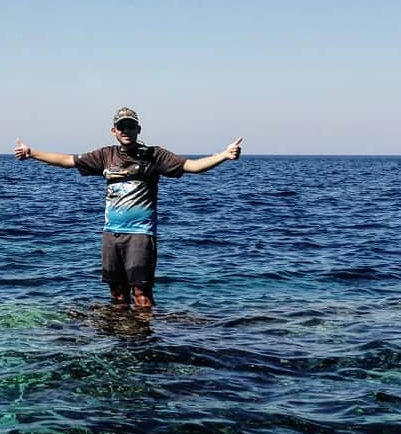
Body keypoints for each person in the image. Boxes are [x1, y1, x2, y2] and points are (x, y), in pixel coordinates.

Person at [14, 107, 243, 309]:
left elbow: (192, 166)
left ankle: (144, 343)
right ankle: (120, 340)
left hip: (140, 235)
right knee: (117, 294)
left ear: (138, 129)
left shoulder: (155, 155)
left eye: (130, 126)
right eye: (121, 127)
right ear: (114, 130)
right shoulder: (106, 155)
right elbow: (67, 161)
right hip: (111, 235)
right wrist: (32, 153)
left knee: (141, 295)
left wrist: (223, 155)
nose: (126, 131)